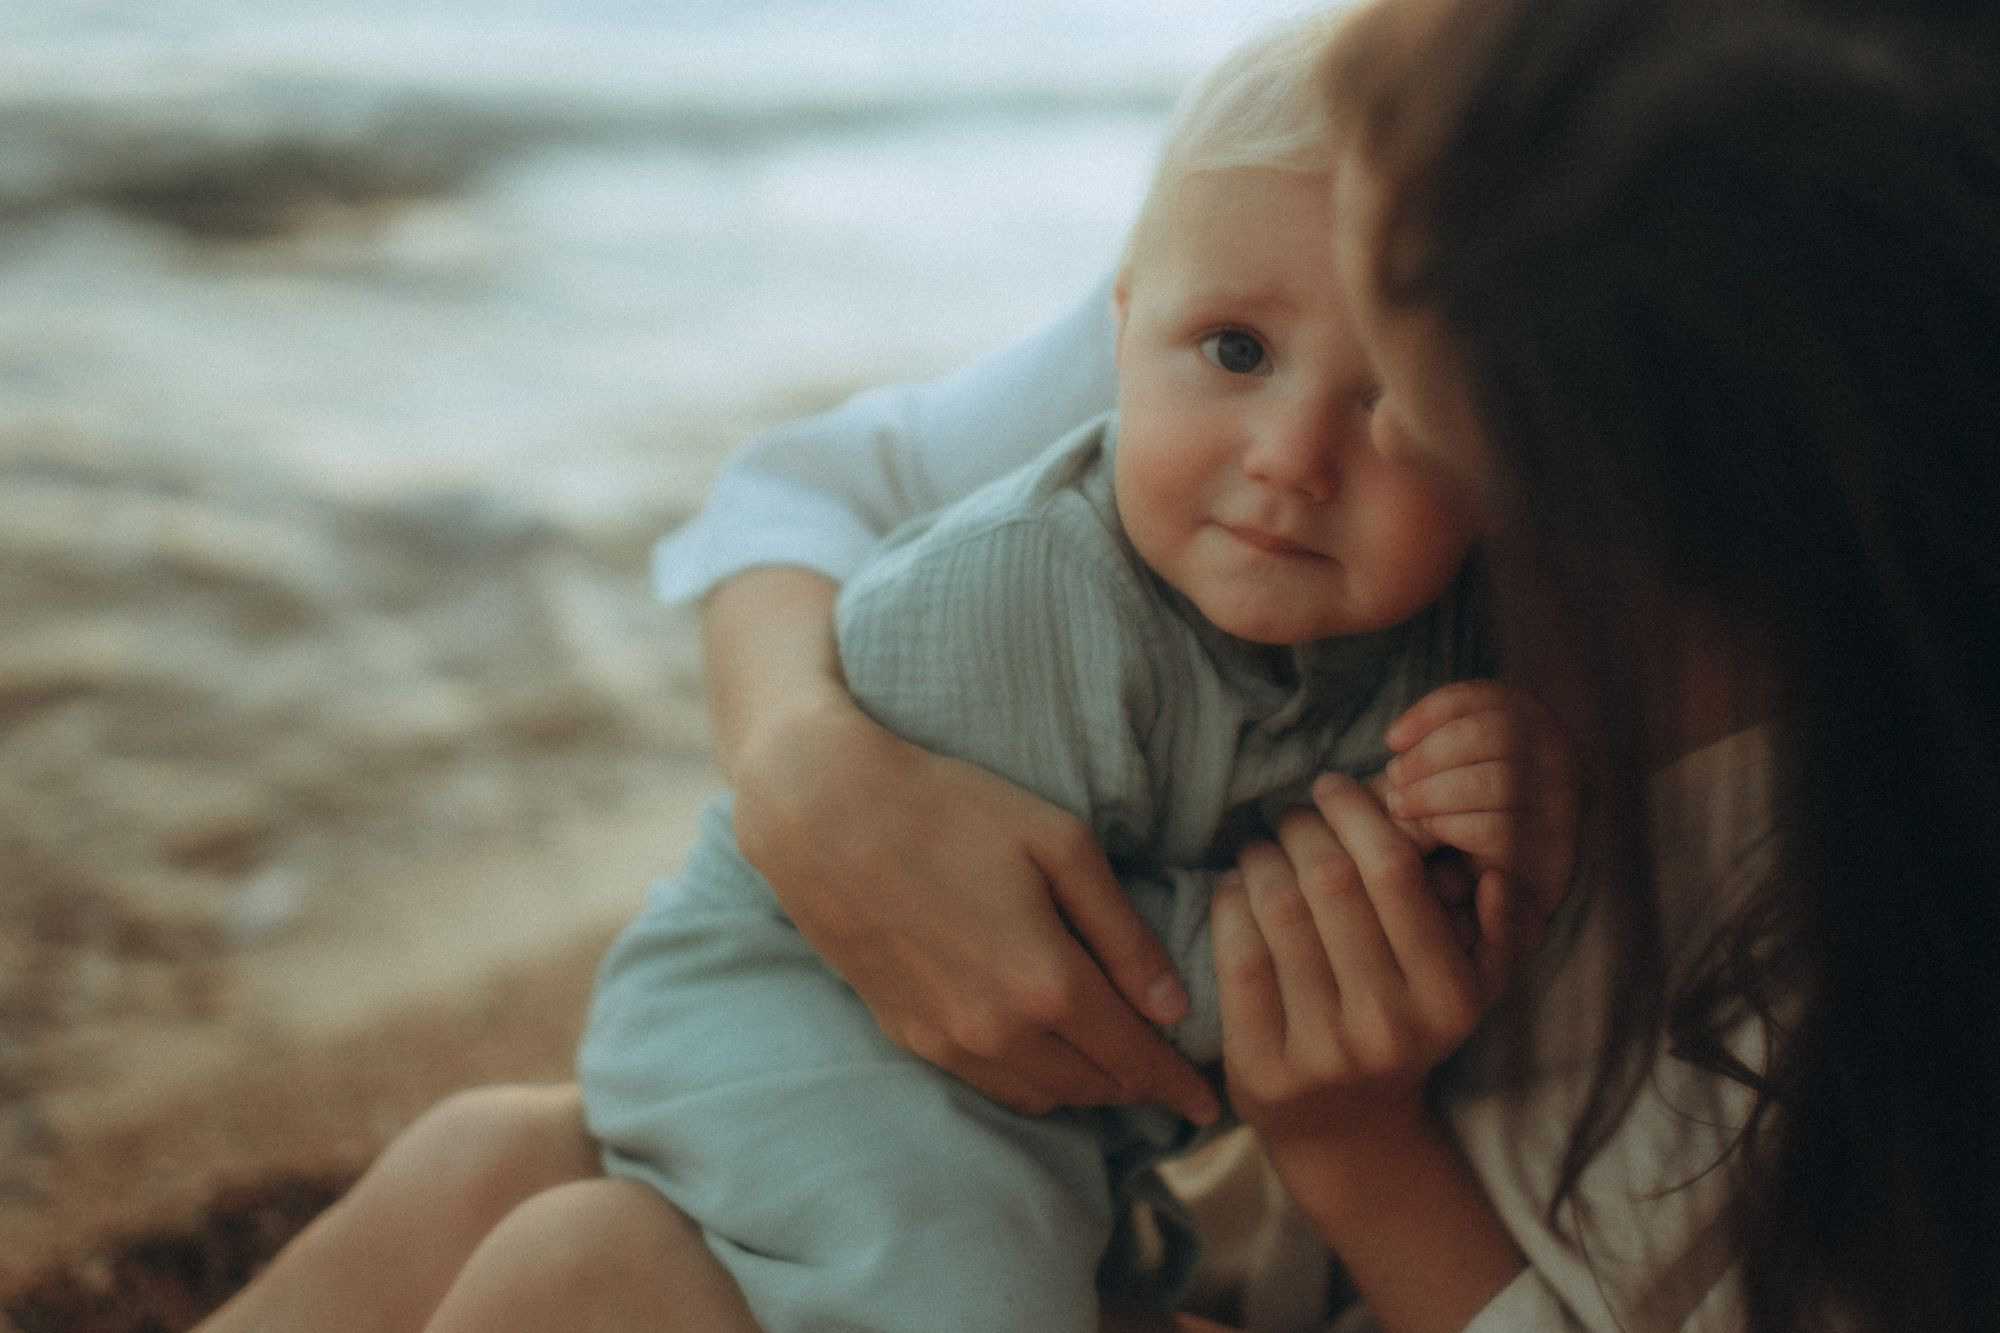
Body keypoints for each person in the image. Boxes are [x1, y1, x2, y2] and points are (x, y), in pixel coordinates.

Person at [198, 0, 2000, 1328]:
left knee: (586, 1271)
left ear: (1605, 411)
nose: (1296, 438)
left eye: (1394, 365)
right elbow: (828, 487)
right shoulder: (1339, 294)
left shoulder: (1860, 906)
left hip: (1352, 1270)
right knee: (488, 1155)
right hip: (1166, 1232)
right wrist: (815, 771)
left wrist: (1351, 1134)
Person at [576, 11, 1573, 1332]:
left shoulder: (1442, 599)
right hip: (808, 1028)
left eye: (1396, 400)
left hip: (1033, 1111)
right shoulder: (1023, 594)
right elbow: (814, 486)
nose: (1291, 454)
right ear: (1123, 326)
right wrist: (798, 750)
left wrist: (1509, 795)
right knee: (974, 1289)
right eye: (1236, 353)